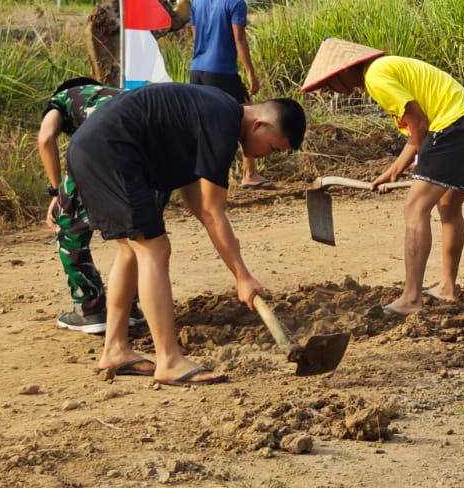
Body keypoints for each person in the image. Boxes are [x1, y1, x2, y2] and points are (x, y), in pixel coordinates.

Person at [66, 81, 305, 385]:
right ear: (260, 125)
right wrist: (242, 277)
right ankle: (169, 360)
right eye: (272, 148)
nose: (266, 156)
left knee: (132, 249)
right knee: (155, 248)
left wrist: (236, 265)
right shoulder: (223, 123)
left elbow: (199, 201)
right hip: (111, 151)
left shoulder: (215, 111)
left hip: (94, 148)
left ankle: (115, 350)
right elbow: (213, 212)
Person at [301, 39, 464, 316]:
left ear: (344, 71)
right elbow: (420, 130)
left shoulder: (376, 76)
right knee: (448, 207)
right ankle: (447, 288)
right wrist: (398, 170)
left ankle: (411, 298)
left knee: (415, 209)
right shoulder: (385, 69)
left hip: (451, 127)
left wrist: (403, 169)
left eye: (329, 83)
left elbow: (419, 125)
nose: (330, 91)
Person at [36, 75, 139, 333]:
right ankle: (130, 306)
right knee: (137, 236)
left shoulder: (63, 99)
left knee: (68, 228)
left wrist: (56, 193)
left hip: (99, 149)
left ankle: (91, 309)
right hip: (144, 154)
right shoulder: (118, 94)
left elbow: (45, 138)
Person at [189, 0, 269, 189]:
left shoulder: (198, 1)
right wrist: (251, 73)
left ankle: (197, 177)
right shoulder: (236, 3)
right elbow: (239, 40)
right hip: (221, 72)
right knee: (249, 116)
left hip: (197, 70)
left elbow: (195, 36)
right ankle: (249, 174)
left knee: (202, 123)